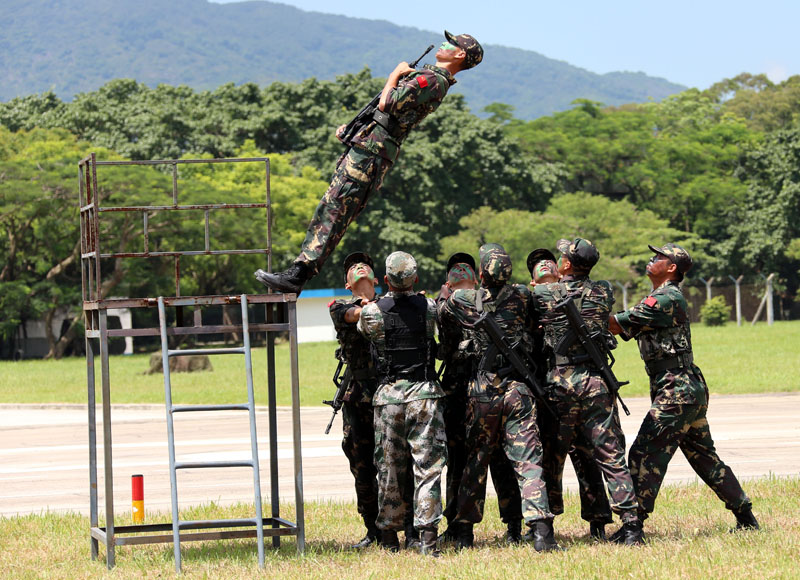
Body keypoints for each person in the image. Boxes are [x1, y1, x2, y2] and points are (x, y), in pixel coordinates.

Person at [255, 32, 483, 295]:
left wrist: (394, 74)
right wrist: (353, 131)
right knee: (332, 208)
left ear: (459, 54)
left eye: (450, 44)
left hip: (372, 152)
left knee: (334, 209)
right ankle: (298, 273)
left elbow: (387, 104)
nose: (443, 45)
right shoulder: (433, 78)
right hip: (369, 147)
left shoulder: (432, 80)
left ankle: (298, 274)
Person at [608, 243, 759, 537]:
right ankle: (746, 517)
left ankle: (633, 527)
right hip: (683, 388)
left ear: (672, 267)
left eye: (659, 257)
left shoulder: (666, 298)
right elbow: (624, 330)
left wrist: (579, 310)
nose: (652, 259)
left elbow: (615, 324)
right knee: (704, 457)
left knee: (645, 453)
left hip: (676, 389)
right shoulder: (657, 297)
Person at [440, 244, 558, 551]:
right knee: (528, 460)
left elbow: (443, 314)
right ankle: (542, 532)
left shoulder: (464, 299)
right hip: (518, 389)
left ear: (480, 274)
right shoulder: (523, 295)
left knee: (474, 463)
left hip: (482, 392)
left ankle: (464, 532)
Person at [530, 238, 644, 545]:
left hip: (560, 384)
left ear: (566, 264)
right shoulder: (604, 289)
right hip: (596, 383)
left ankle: (545, 528)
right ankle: (631, 525)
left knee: (551, 458)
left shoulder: (544, 292)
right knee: (610, 455)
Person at [358, 251, 447, 556]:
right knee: (428, 469)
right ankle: (428, 539)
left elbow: (365, 332)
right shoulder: (431, 307)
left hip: (388, 399)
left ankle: (388, 537)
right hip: (424, 395)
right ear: (416, 279)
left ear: (385, 280)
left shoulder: (372, 313)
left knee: (389, 468)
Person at [435, 253, 523, 544]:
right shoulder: (455, 304)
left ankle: (465, 527)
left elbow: (444, 349)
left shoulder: (450, 305)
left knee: (472, 460)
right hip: (468, 390)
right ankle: (504, 525)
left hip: (477, 389)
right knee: (472, 460)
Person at [526, 248, 614, 540]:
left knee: (579, 455)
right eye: (539, 266)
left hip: (566, 384)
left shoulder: (551, 295)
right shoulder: (532, 300)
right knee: (555, 456)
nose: (545, 266)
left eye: (548, 262)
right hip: (551, 386)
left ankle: (592, 521)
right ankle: (550, 522)